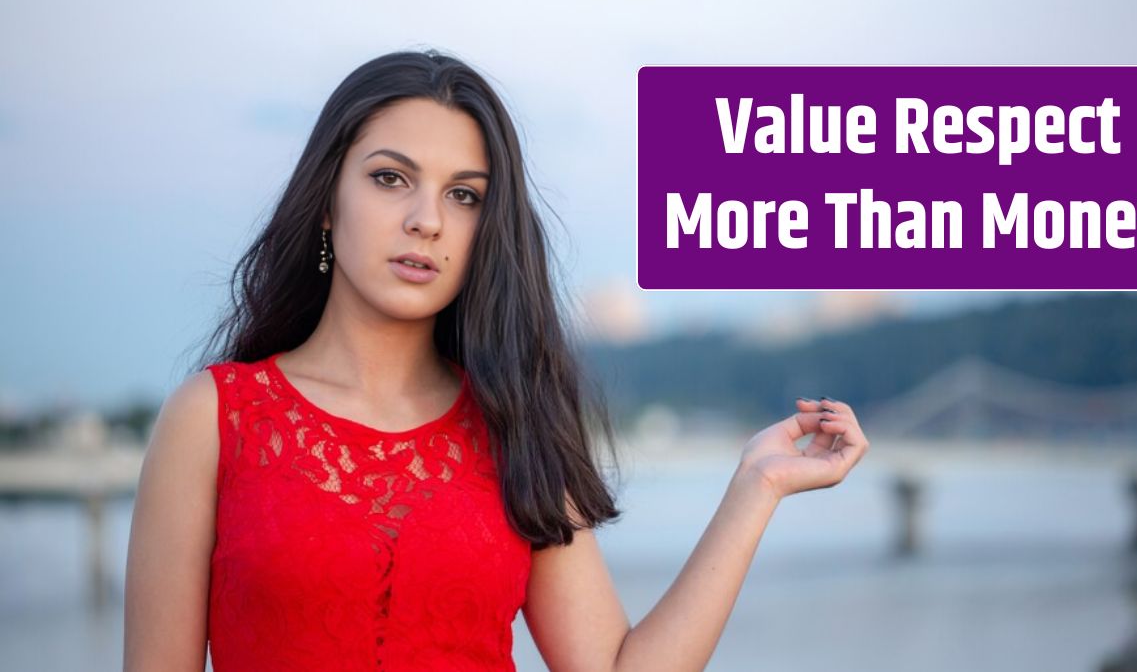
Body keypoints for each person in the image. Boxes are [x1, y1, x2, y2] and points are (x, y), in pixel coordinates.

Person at [122, 49, 870, 672]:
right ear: (326, 197)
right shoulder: (216, 417)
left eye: (465, 195)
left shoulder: (515, 426)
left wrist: (757, 485)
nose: (427, 220)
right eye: (390, 178)